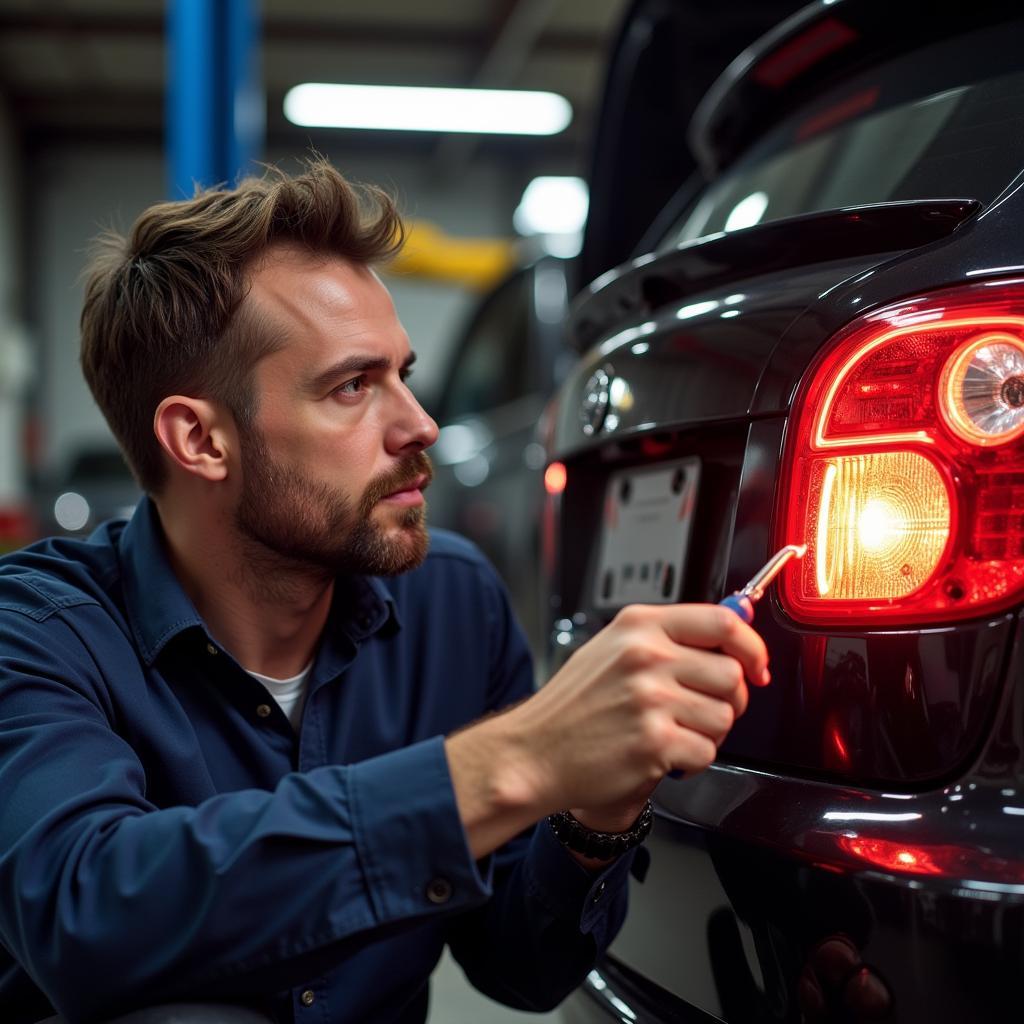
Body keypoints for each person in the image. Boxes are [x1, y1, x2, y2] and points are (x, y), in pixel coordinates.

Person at [0, 159, 769, 1024]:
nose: (420, 425)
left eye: (403, 374)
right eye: (353, 386)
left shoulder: (453, 604)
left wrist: (594, 814)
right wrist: (514, 761)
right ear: (200, 440)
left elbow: (519, 968)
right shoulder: (36, 631)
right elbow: (82, 917)